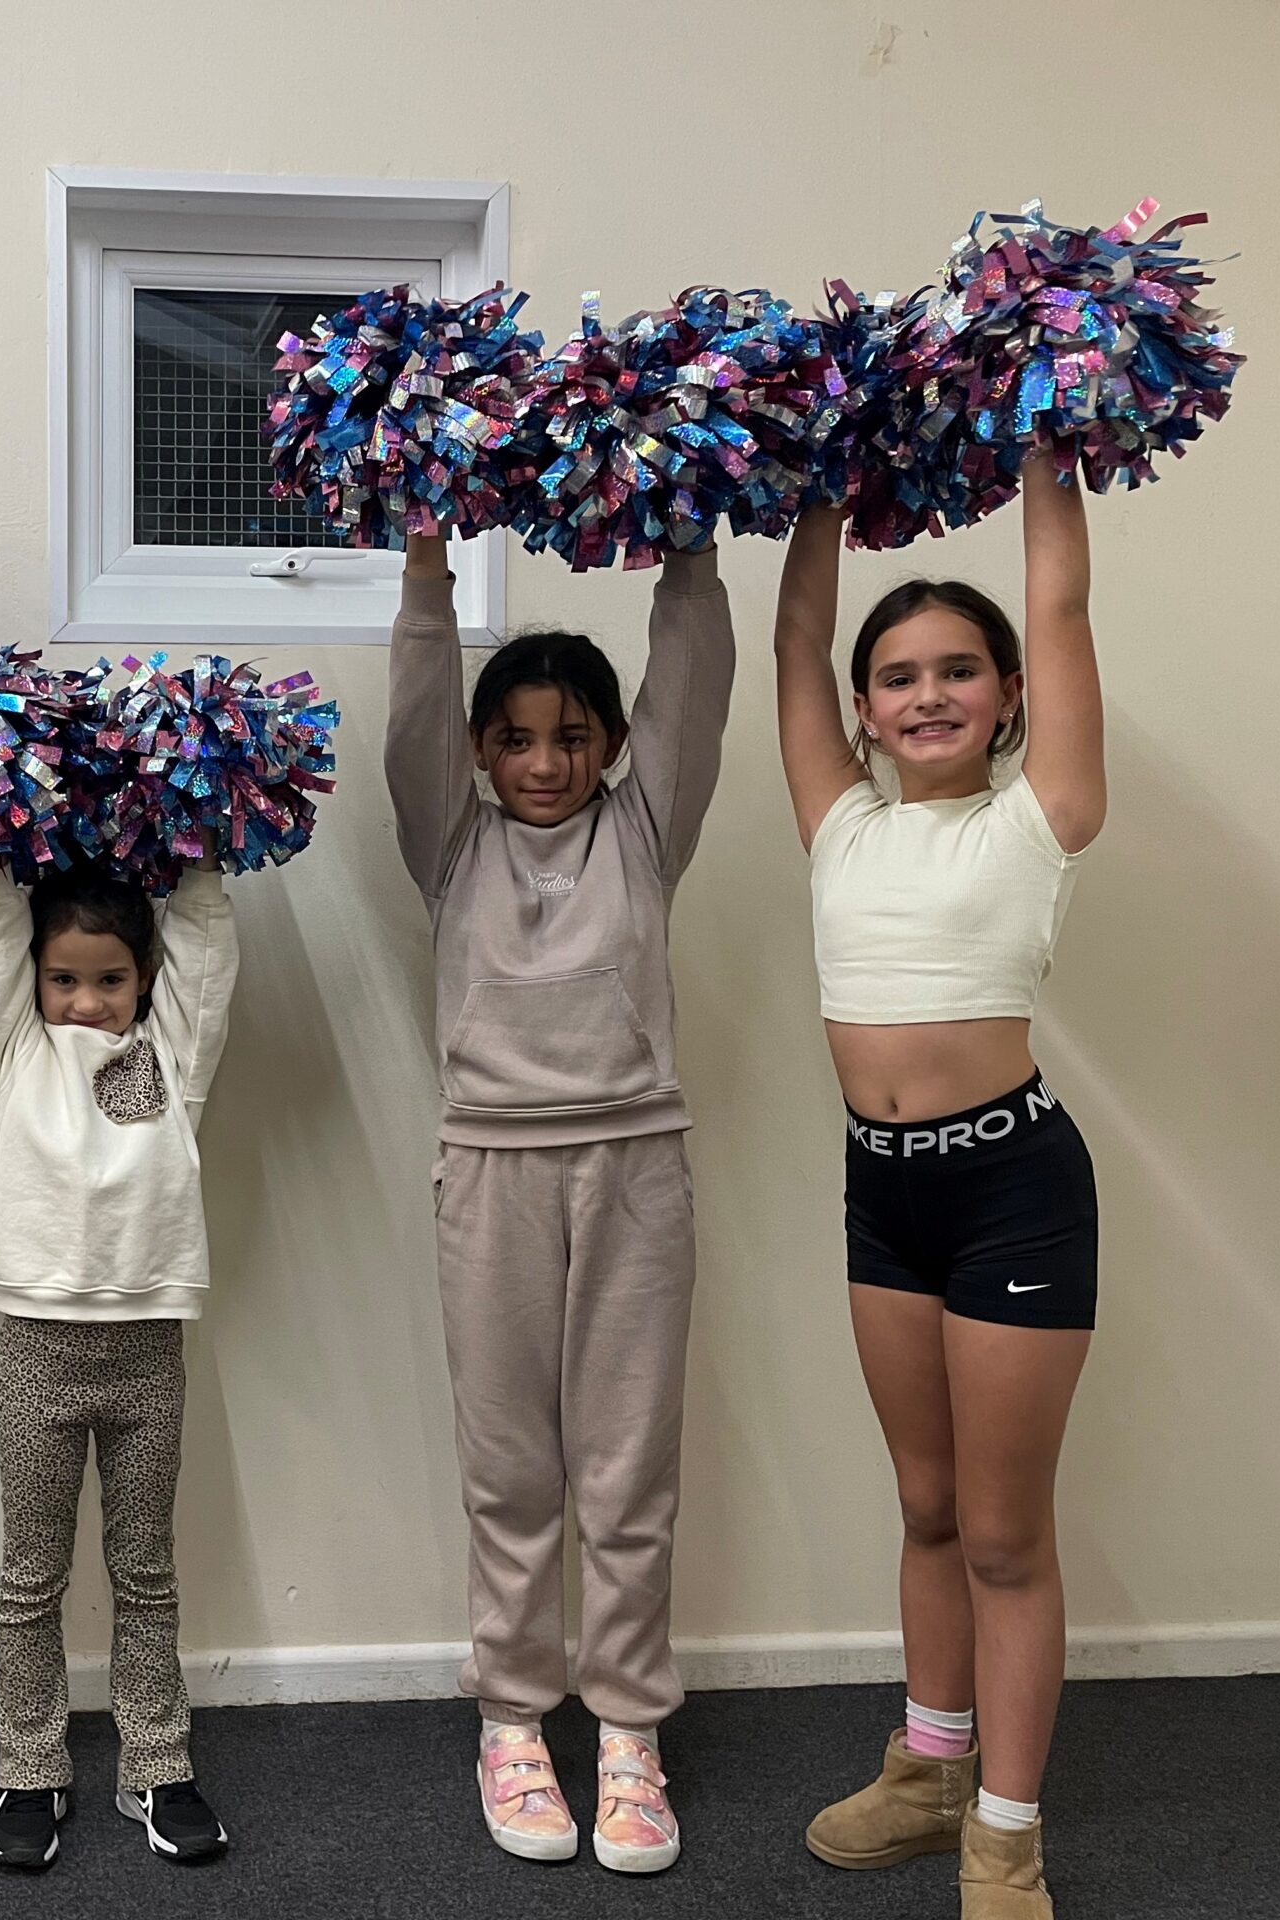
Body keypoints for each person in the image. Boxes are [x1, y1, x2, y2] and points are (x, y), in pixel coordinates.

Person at [774, 471, 1106, 1920]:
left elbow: (1062, 600)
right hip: (883, 1198)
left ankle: (1006, 1839)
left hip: (1014, 1194)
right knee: (923, 1506)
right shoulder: (839, 822)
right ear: (862, 711)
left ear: (1011, 693)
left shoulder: (1042, 815)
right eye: (898, 676)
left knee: (1003, 1535)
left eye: (959, 670)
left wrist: (1045, 453)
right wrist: (819, 486)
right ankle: (927, 1772)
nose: (927, 695)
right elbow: (794, 641)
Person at [387, 528, 736, 1872]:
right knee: (510, 1468)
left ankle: (631, 1728)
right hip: (491, 1171)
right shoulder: (450, 844)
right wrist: (427, 573)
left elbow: (688, 693)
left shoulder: (645, 832)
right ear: (481, 752)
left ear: (612, 747)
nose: (545, 762)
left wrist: (690, 552)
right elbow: (414, 721)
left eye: (573, 737)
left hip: (636, 1166)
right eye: (517, 739)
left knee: (628, 1464)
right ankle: (514, 1718)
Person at [0, 851, 238, 1871]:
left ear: (145, 977)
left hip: (148, 1349)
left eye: (111, 979)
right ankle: (30, 1768)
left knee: (145, 1569)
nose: (86, 1001)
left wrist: (205, 855)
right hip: (37, 1346)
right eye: (64, 979)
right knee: (30, 1577)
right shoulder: (14, 1057)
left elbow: (204, 950)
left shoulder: (172, 1056)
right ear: (34, 980)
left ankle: (155, 1765)